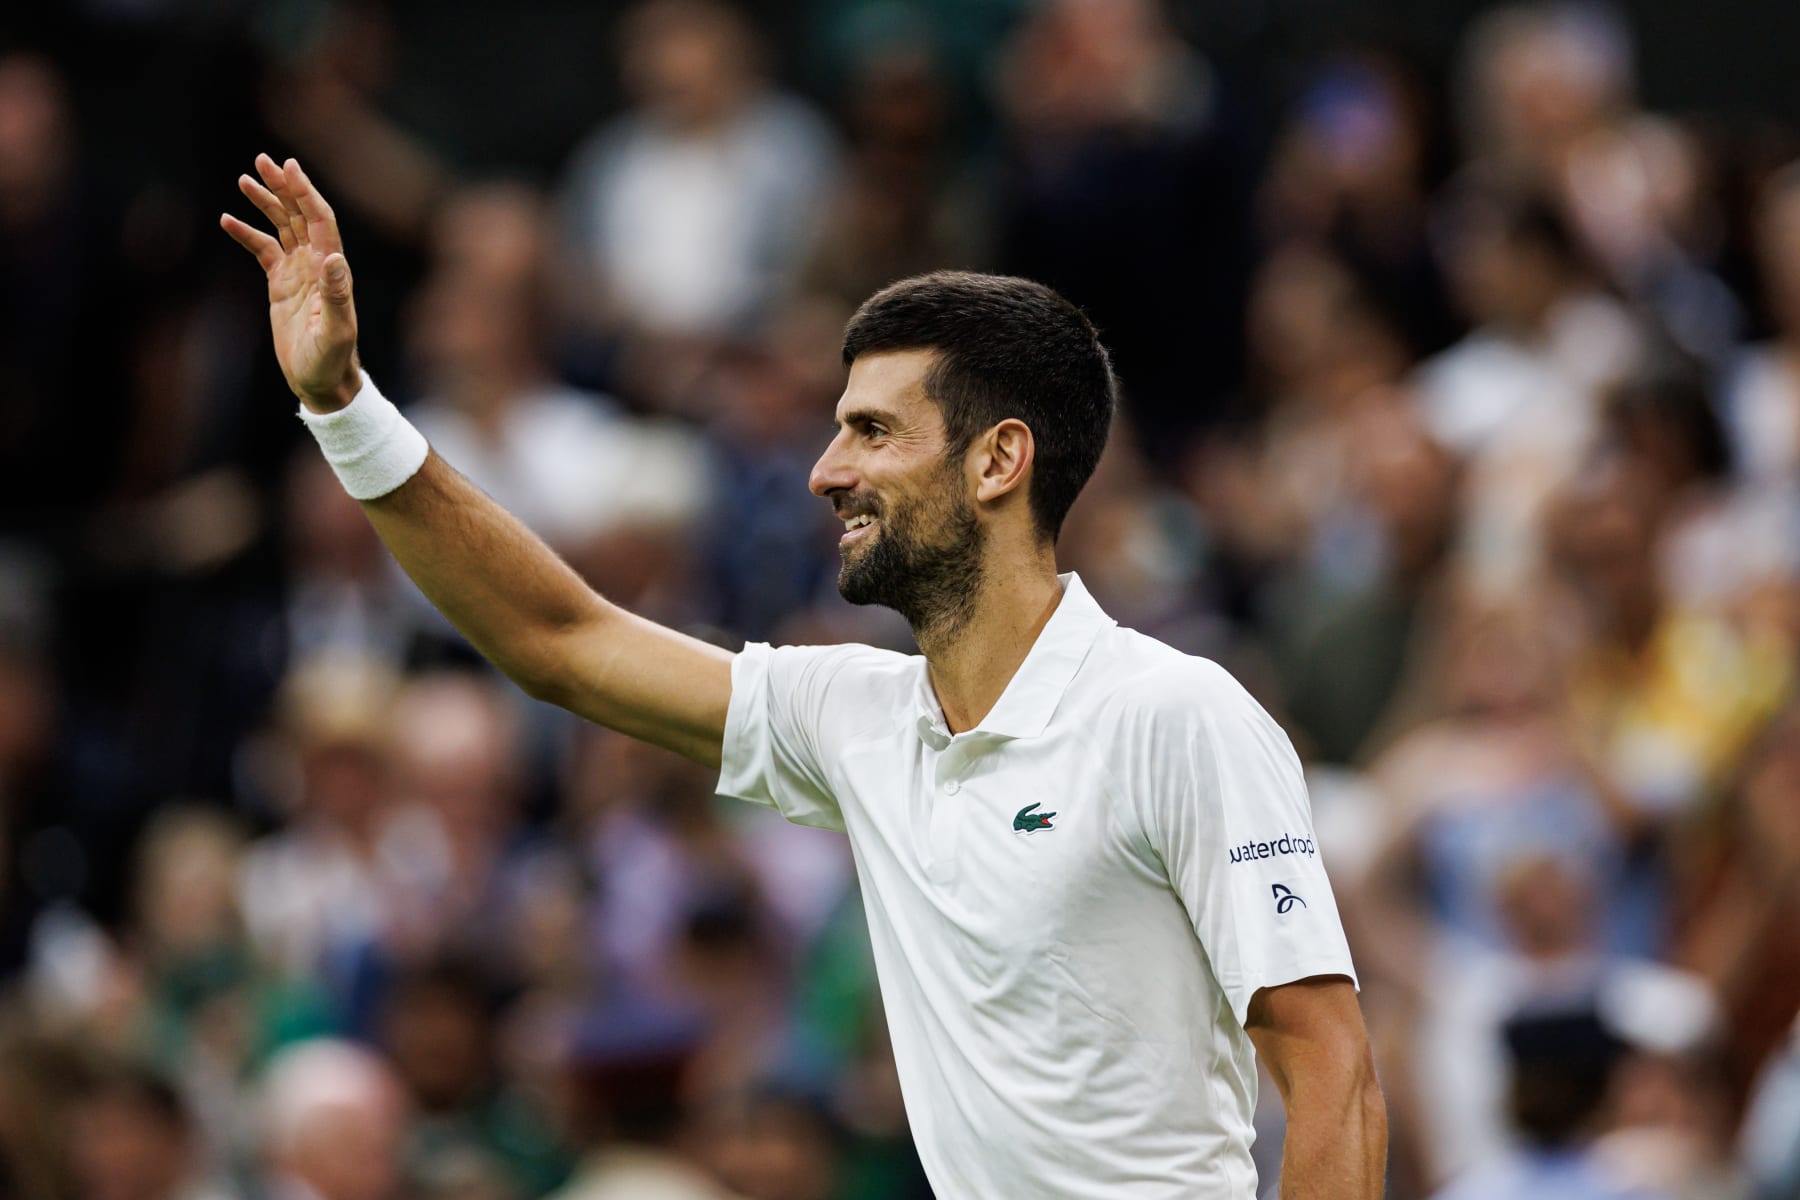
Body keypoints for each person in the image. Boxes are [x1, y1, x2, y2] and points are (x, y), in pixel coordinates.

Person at [222, 152, 1385, 1198]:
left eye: (874, 432)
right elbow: (560, 644)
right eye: (837, 428)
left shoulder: (1175, 715)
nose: (826, 471)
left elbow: (1332, 1075)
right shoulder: (854, 714)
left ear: (999, 460)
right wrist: (343, 405)